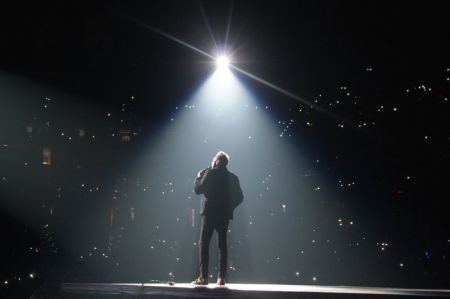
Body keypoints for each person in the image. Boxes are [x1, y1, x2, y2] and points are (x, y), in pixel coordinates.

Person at [191, 151, 243, 286]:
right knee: (222, 245)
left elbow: (197, 190)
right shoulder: (233, 177)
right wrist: (229, 207)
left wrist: (198, 177)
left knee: (204, 244)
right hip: (224, 214)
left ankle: (203, 278)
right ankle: (221, 278)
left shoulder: (210, 173)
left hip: (209, 213)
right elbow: (240, 197)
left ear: (217, 161)